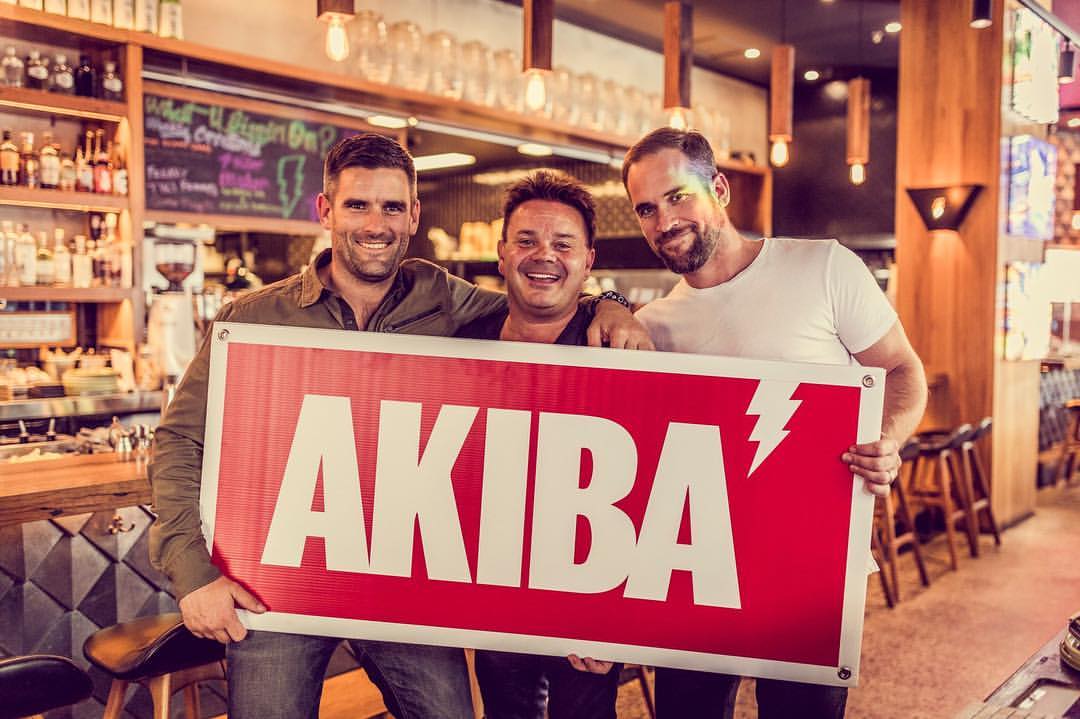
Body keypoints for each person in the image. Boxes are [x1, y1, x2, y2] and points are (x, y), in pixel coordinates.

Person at [148, 133, 651, 719]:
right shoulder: (254, 319)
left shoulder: (446, 300)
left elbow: (544, 297)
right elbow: (180, 441)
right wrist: (191, 573)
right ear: (325, 210)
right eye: (357, 204)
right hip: (273, 587)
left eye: (392, 206)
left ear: (413, 214)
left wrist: (610, 301)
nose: (375, 223)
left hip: (396, 586)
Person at [621, 127, 928, 719]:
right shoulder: (652, 326)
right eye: (646, 209)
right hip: (694, 570)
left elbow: (900, 368)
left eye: (678, 196)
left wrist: (888, 440)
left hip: (809, 562)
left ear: (720, 187)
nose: (664, 220)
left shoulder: (823, 266)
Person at [455, 170, 622, 719]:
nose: (542, 255)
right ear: (501, 253)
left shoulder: (619, 348)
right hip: (495, 583)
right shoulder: (462, 347)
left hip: (589, 586)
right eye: (526, 241)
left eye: (562, 244)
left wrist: (621, 619)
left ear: (588, 260)